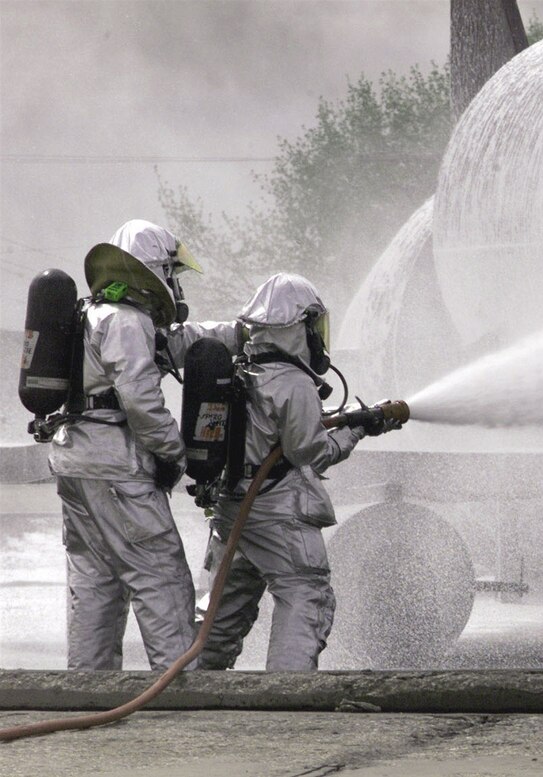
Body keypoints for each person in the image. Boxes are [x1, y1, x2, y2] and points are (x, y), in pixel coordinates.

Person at [49, 219, 243, 670]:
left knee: (97, 581)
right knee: (162, 577)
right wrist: (176, 455)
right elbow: (141, 400)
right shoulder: (127, 321)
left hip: (77, 463)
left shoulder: (95, 314)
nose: (174, 286)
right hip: (117, 467)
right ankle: (177, 696)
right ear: (156, 271)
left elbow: (181, 342)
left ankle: (87, 692)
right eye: (172, 274)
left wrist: (243, 333)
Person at [198, 272, 399, 671]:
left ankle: (194, 684)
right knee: (306, 593)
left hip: (233, 506)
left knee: (223, 608)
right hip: (278, 512)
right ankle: (285, 696)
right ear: (300, 327)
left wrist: (341, 419)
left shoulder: (243, 368)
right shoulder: (293, 381)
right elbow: (310, 450)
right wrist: (358, 430)